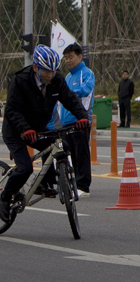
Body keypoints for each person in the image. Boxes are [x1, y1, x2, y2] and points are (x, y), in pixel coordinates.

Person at [0, 45, 90, 222]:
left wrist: (82, 117)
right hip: (16, 130)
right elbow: (12, 110)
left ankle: (46, 183)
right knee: (25, 168)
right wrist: (25, 129)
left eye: (53, 71)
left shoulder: (56, 80)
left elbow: (70, 99)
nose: (50, 75)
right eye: (46, 71)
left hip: (38, 127)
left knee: (57, 146)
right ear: (35, 67)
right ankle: (4, 197)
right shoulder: (20, 81)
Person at [49, 43, 94, 198]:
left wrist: (69, 93)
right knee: (71, 154)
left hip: (80, 120)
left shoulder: (87, 73)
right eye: (66, 58)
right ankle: (75, 183)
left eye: (71, 57)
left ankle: (84, 186)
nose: (68, 61)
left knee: (81, 153)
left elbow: (86, 90)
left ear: (79, 57)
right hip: (66, 122)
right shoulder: (67, 77)